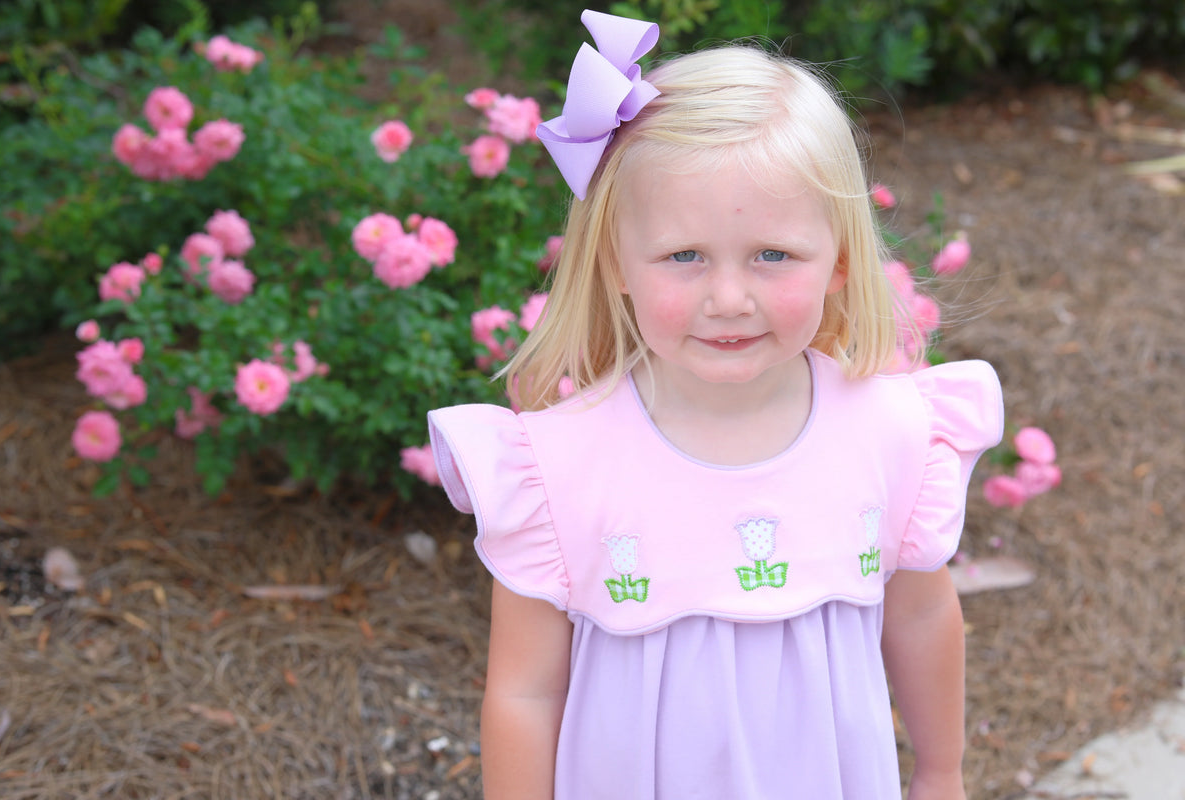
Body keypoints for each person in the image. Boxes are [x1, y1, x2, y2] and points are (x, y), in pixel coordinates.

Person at [427, 10, 1003, 799]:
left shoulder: (893, 430)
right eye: (684, 256)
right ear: (615, 263)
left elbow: (920, 618)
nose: (728, 297)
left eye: (774, 255)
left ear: (838, 257)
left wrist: (941, 772)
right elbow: (525, 692)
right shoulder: (558, 466)